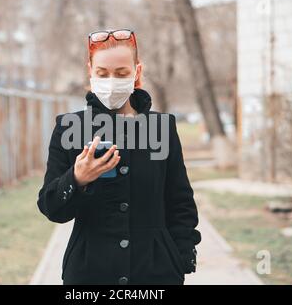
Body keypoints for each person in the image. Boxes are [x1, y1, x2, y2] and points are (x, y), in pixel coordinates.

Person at [37, 28, 201, 285]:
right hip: (90, 273)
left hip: (156, 272)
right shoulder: (68, 127)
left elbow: (180, 201)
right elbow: (51, 208)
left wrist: (180, 259)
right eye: (102, 73)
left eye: (121, 73)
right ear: (90, 72)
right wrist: (77, 178)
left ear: (137, 72)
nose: (111, 81)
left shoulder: (162, 128)